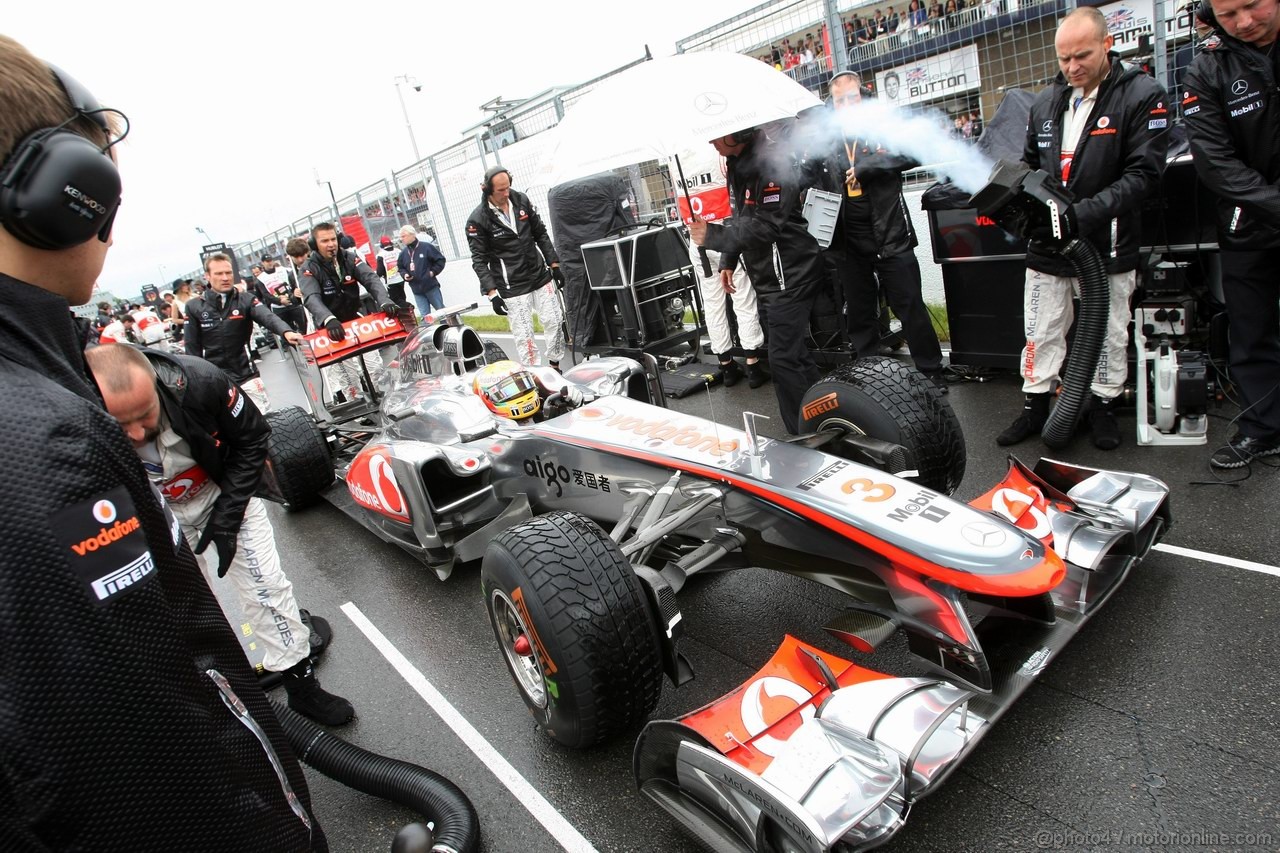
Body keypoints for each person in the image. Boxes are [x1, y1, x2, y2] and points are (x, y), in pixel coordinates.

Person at [0, 34, 326, 848]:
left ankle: (295, 666)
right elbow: (146, 740)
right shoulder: (45, 436)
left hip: (216, 492)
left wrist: (228, 509)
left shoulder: (191, 384)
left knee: (255, 573)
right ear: (62, 190)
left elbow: (249, 441)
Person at [86, 344, 355, 725]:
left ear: (158, 387)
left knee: (266, 588)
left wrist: (227, 519)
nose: (134, 431)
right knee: (179, 612)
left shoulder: (201, 381)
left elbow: (253, 440)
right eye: (120, 423)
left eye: (144, 416)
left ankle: (302, 686)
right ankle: (209, 701)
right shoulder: (72, 415)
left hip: (223, 493)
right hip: (156, 514)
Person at [998, 6, 1169, 450]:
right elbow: (1031, 168)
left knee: (1110, 331)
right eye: (1064, 58)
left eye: (1082, 56)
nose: (1072, 67)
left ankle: (1103, 408)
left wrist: (1082, 213)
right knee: (1040, 330)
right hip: (1049, 248)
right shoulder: (1046, 103)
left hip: (1107, 244)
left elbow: (1143, 176)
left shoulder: (1142, 94)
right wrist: (1024, 210)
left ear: (1107, 44)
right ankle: (1035, 408)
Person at [1182, 0, 1280, 467]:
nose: (1243, 22)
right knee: (1250, 332)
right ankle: (1264, 428)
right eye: (1227, 13)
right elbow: (1214, 162)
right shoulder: (1206, 67)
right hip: (1247, 222)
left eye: (1251, 5)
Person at [689, 122, 824, 435]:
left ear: (737, 132)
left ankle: (803, 434)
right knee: (795, 354)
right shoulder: (739, 165)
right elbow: (740, 219)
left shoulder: (773, 162)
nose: (711, 141)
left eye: (716, 133)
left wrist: (711, 235)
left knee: (783, 359)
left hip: (790, 274)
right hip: (771, 276)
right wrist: (728, 260)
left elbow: (767, 227)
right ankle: (823, 411)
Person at [822, 72, 948, 391]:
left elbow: (914, 153)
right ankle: (870, 376)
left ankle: (931, 371)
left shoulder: (884, 122)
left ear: (862, 95)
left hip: (889, 232)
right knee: (860, 313)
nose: (848, 105)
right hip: (849, 240)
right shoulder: (824, 136)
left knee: (909, 305)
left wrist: (870, 166)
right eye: (841, 101)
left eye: (853, 98)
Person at [466, 166, 566, 368]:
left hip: (539, 275)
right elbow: (479, 260)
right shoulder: (477, 220)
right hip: (512, 285)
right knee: (525, 335)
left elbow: (541, 234)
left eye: (508, 187)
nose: (506, 193)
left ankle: (555, 367)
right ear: (487, 190)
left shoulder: (521, 200)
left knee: (555, 321)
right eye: (500, 190)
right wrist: (492, 294)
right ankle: (535, 374)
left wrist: (554, 265)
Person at [185, 252, 304, 412]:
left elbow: (268, 317)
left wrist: (286, 332)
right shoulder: (193, 306)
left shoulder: (246, 299)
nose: (225, 278)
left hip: (246, 374)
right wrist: (195, 382)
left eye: (228, 273)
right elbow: (192, 348)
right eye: (219, 274)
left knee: (263, 420)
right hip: (213, 379)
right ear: (207, 276)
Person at [299, 221, 398, 402]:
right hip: (329, 327)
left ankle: (387, 402)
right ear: (315, 244)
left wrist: (384, 300)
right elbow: (311, 297)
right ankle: (360, 410)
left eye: (333, 239)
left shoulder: (350, 258)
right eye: (324, 241)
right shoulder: (309, 268)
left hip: (355, 319)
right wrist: (328, 319)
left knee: (374, 366)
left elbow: (371, 278)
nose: (331, 244)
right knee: (349, 377)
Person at [472, 359, 587, 422]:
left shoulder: (546, 405)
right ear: (488, 396)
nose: (521, 393)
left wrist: (574, 404)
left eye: (523, 386)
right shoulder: (492, 428)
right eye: (510, 392)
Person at [254, 254, 308, 359]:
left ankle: (309, 347)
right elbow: (265, 295)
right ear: (263, 263)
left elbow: (294, 283)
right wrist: (280, 301)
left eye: (270, 260)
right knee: (287, 330)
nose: (269, 263)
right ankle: (296, 354)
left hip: (293, 304)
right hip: (278, 308)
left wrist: (293, 295)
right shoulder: (260, 278)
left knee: (303, 326)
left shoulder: (283, 270)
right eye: (267, 261)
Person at [398, 224, 447, 316]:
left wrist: (432, 272)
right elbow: (400, 268)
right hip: (416, 290)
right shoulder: (404, 253)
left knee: (441, 312)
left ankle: (447, 328)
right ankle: (429, 330)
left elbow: (440, 260)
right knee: (425, 316)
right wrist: (404, 275)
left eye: (403, 236)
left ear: (412, 235)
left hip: (430, 287)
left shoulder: (426, 247)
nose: (401, 239)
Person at [1171, 1, 1218, 95]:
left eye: (1200, 8)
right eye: (1191, 11)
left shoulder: (1231, 42)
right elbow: (1174, 95)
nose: (1197, 15)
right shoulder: (1182, 54)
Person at [375, 234, 409, 310]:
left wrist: (379, 276)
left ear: (381, 245)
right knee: (402, 296)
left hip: (391, 281)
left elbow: (380, 271)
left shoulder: (380, 255)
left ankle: (408, 307)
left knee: (395, 300)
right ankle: (407, 312)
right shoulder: (398, 251)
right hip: (401, 277)